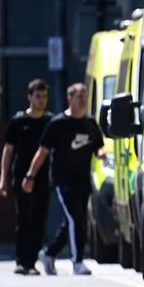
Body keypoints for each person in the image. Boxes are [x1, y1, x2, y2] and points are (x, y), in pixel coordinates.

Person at [22, 83, 105, 276]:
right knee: (75, 218)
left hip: (83, 179)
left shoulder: (91, 123)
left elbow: (98, 146)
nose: (83, 99)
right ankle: (77, 262)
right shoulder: (58, 124)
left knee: (74, 221)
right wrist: (30, 175)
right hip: (63, 180)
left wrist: (101, 153)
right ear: (70, 98)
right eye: (79, 96)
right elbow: (42, 152)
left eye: (85, 95)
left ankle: (49, 253)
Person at [0, 79, 53, 275]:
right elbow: (8, 150)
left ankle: (32, 263)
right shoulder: (18, 121)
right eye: (38, 96)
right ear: (29, 97)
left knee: (39, 219)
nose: (41, 100)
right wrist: (3, 178)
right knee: (24, 218)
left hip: (43, 178)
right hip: (21, 177)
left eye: (45, 96)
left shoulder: (50, 121)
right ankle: (21, 261)